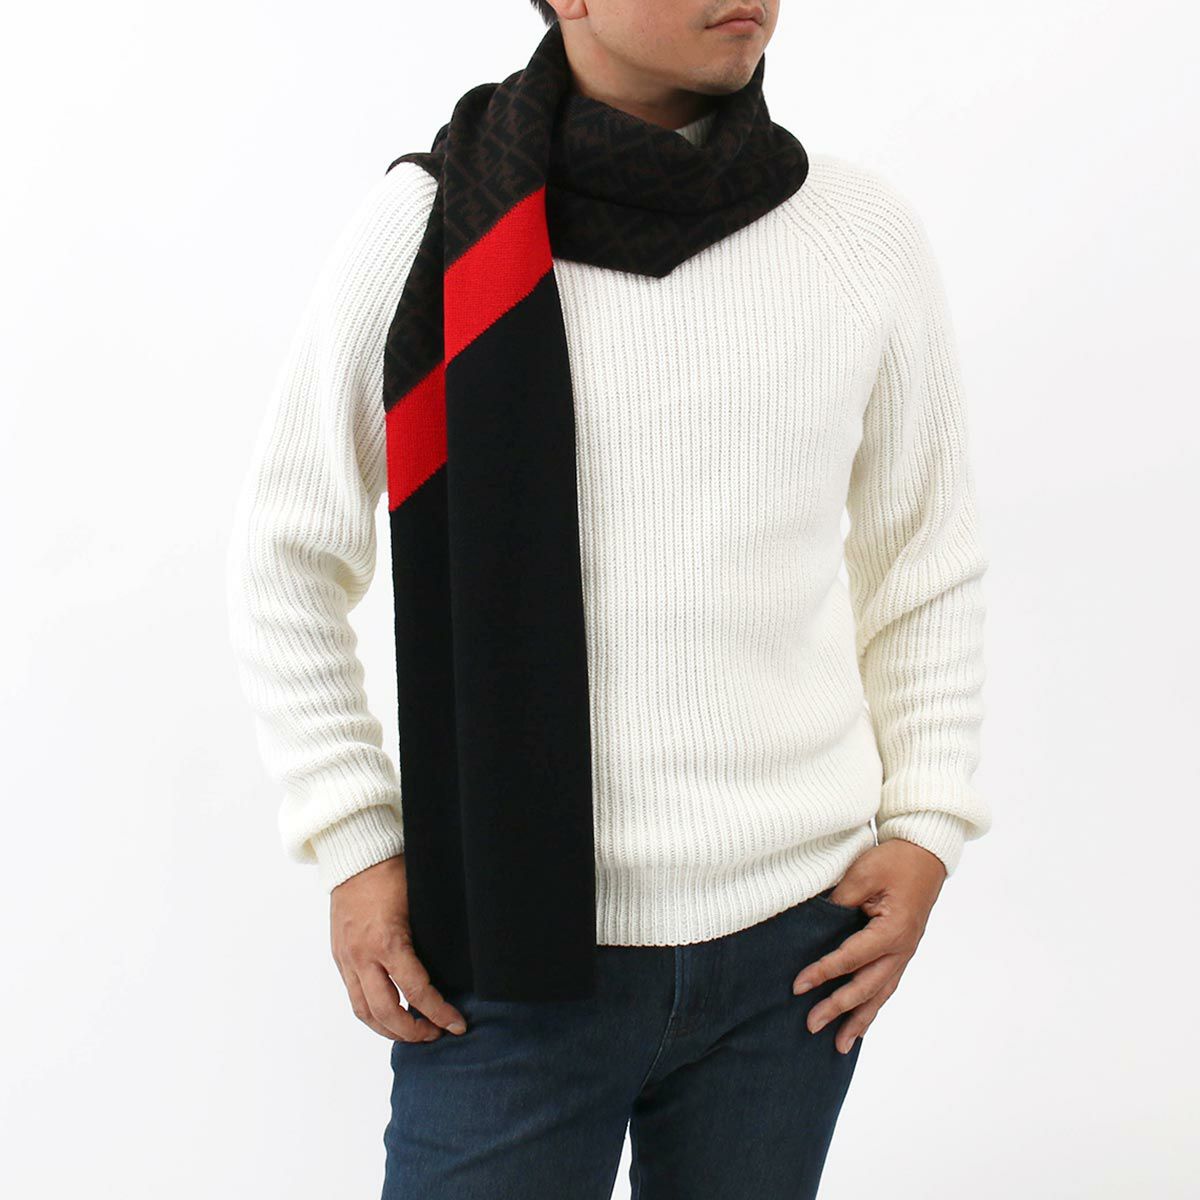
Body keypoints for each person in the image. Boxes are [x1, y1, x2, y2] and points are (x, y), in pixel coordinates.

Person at [226, 1, 992, 1195]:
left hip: (797, 951)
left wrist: (930, 821)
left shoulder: (859, 234)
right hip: (504, 954)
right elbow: (286, 556)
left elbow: (925, 558)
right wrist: (357, 842)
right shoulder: (431, 229)